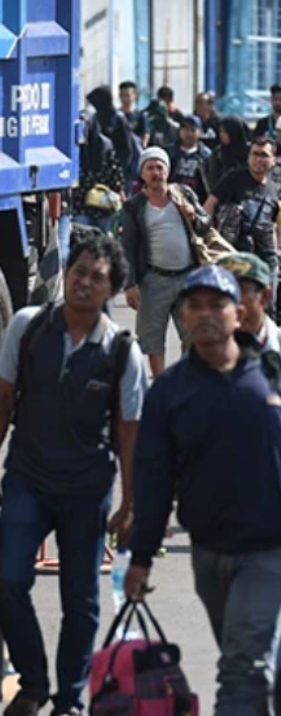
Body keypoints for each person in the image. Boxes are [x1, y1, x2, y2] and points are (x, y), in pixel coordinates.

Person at [124, 265, 281, 716]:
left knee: (241, 661)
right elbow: (153, 476)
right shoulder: (170, 390)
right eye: (195, 306)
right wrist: (141, 556)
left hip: (273, 543)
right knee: (244, 656)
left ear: (237, 311)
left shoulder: (277, 374)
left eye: (216, 305)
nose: (206, 314)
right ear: (182, 315)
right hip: (209, 548)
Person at [0, 234, 145, 716]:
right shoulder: (26, 328)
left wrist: (130, 505)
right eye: (79, 272)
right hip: (27, 479)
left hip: (87, 490)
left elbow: (129, 433)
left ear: (112, 289)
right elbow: (3, 403)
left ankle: (69, 700)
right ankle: (34, 683)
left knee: (80, 603)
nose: (84, 282)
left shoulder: (125, 352)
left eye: (97, 278)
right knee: (7, 579)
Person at [122, 147, 210, 377]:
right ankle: (160, 385)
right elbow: (128, 247)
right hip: (153, 280)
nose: (155, 172)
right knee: (152, 340)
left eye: (159, 167)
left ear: (168, 170)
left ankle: (185, 380)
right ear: (142, 174)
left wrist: (194, 215)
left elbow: (206, 225)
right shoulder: (134, 206)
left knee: (194, 334)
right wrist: (130, 285)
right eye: (150, 168)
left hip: (187, 278)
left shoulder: (183, 194)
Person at [216, 251, 281, 378]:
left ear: (265, 296)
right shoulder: (202, 349)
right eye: (222, 293)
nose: (230, 300)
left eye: (240, 291)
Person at [203, 137, 280, 275]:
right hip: (235, 257)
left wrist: (275, 256)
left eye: (264, 155)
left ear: (273, 160)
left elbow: (272, 226)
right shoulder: (234, 178)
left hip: (265, 261)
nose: (258, 159)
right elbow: (210, 205)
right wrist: (209, 240)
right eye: (255, 154)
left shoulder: (272, 188)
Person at [72, 117, 125, 235]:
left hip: (101, 204)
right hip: (83, 204)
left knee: (101, 242)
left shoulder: (105, 146)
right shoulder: (75, 146)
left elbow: (115, 172)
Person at [168, 114, 212, 202]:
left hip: (197, 199)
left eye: (193, 130)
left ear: (199, 132)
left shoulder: (206, 154)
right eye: (186, 129)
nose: (189, 133)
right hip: (172, 197)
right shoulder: (170, 151)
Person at [204, 115, 249, 189]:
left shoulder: (248, 152)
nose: (221, 135)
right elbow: (212, 177)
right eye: (220, 131)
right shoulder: (218, 153)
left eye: (225, 132)